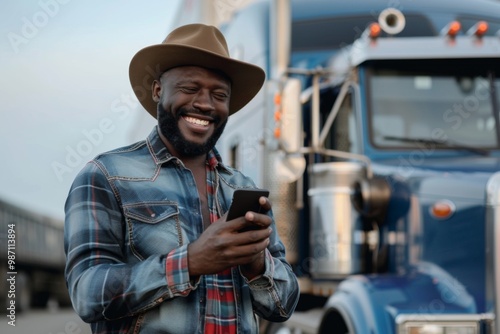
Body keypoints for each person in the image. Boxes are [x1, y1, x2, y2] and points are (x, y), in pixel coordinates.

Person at [64, 23, 300, 333]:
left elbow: (283, 306)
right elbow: (87, 294)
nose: (204, 104)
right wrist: (190, 262)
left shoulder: (243, 188)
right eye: (190, 88)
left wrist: (257, 265)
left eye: (219, 94)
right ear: (158, 91)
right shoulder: (106, 177)